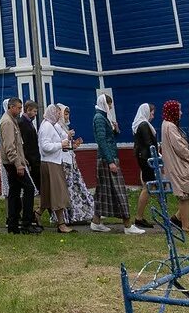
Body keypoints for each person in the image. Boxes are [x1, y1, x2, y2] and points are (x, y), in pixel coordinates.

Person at [92, 93, 143, 234]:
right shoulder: (99, 118)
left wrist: (115, 130)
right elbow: (101, 141)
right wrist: (110, 161)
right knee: (120, 190)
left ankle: (96, 222)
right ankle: (127, 225)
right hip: (107, 159)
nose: (110, 107)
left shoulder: (104, 118)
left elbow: (108, 138)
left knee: (103, 192)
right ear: (104, 104)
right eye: (109, 104)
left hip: (107, 157)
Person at [157, 100, 189, 232]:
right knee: (185, 194)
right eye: (179, 110)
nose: (181, 113)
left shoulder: (167, 124)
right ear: (173, 111)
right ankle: (185, 226)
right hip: (178, 165)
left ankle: (177, 218)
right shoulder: (170, 126)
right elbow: (179, 146)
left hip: (177, 164)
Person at [35, 103, 74, 234]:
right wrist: (60, 144)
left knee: (48, 194)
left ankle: (37, 213)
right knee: (58, 194)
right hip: (51, 163)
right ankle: (61, 224)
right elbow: (45, 147)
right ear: (52, 113)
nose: (59, 115)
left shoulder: (50, 126)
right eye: (57, 113)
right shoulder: (47, 127)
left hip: (53, 162)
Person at [0, 98, 34, 235]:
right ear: (11, 107)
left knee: (14, 191)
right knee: (29, 189)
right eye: (18, 108)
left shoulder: (11, 120)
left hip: (14, 161)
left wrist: (23, 159)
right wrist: (18, 164)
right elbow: (10, 147)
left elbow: (17, 144)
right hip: (12, 163)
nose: (20, 111)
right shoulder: (7, 122)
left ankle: (13, 224)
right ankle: (26, 223)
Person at [59, 105, 97, 225]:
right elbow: (58, 145)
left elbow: (68, 147)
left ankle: (83, 213)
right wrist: (68, 136)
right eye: (65, 114)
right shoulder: (58, 127)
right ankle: (70, 216)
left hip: (71, 162)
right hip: (64, 163)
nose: (67, 116)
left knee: (78, 188)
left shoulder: (65, 127)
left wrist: (75, 145)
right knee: (69, 189)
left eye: (68, 113)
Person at [131, 104, 158, 227]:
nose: (153, 116)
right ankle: (139, 217)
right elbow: (149, 143)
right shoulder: (144, 125)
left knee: (148, 186)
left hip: (143, 157)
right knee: (148, 186)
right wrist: (156, 156)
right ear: (146, 112)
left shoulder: (139, 124)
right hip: (147, 158)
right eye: (152, 113)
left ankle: (140, 216)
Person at [18, 100, 43, 232]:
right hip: (31, 161)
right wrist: (29, 161)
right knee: (31, 190)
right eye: (34, 111)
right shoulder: (23, 123)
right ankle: (29, 217)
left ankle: (34, 215)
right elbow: (26, 145)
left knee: (37, 189)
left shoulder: (28, 123)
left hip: (35, 159)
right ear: (27, 110)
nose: (35, 114)